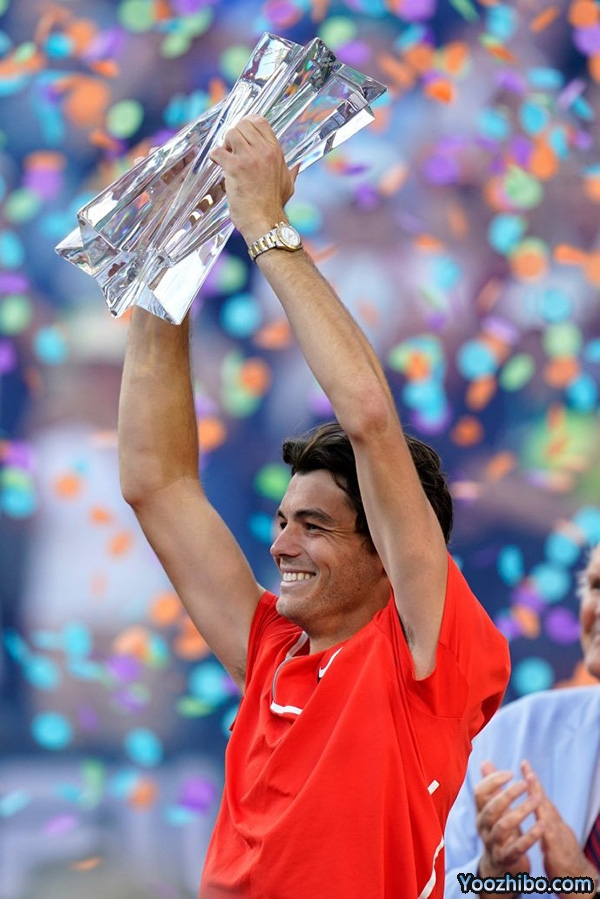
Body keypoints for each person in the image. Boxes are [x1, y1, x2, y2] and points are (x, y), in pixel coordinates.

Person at [118, 114, 510, 899]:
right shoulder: (271, 647)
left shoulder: (425, 655)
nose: (282, 545)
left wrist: (265, 224)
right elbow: (156, 483)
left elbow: (368, 416)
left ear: (387, 554)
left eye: (316, 526)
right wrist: (170, 260)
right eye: (282, 521)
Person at [445, 543, 600, 899]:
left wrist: (583, 885)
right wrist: (492, 876)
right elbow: (429, 886)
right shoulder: (510, 732)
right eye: (596, 586)